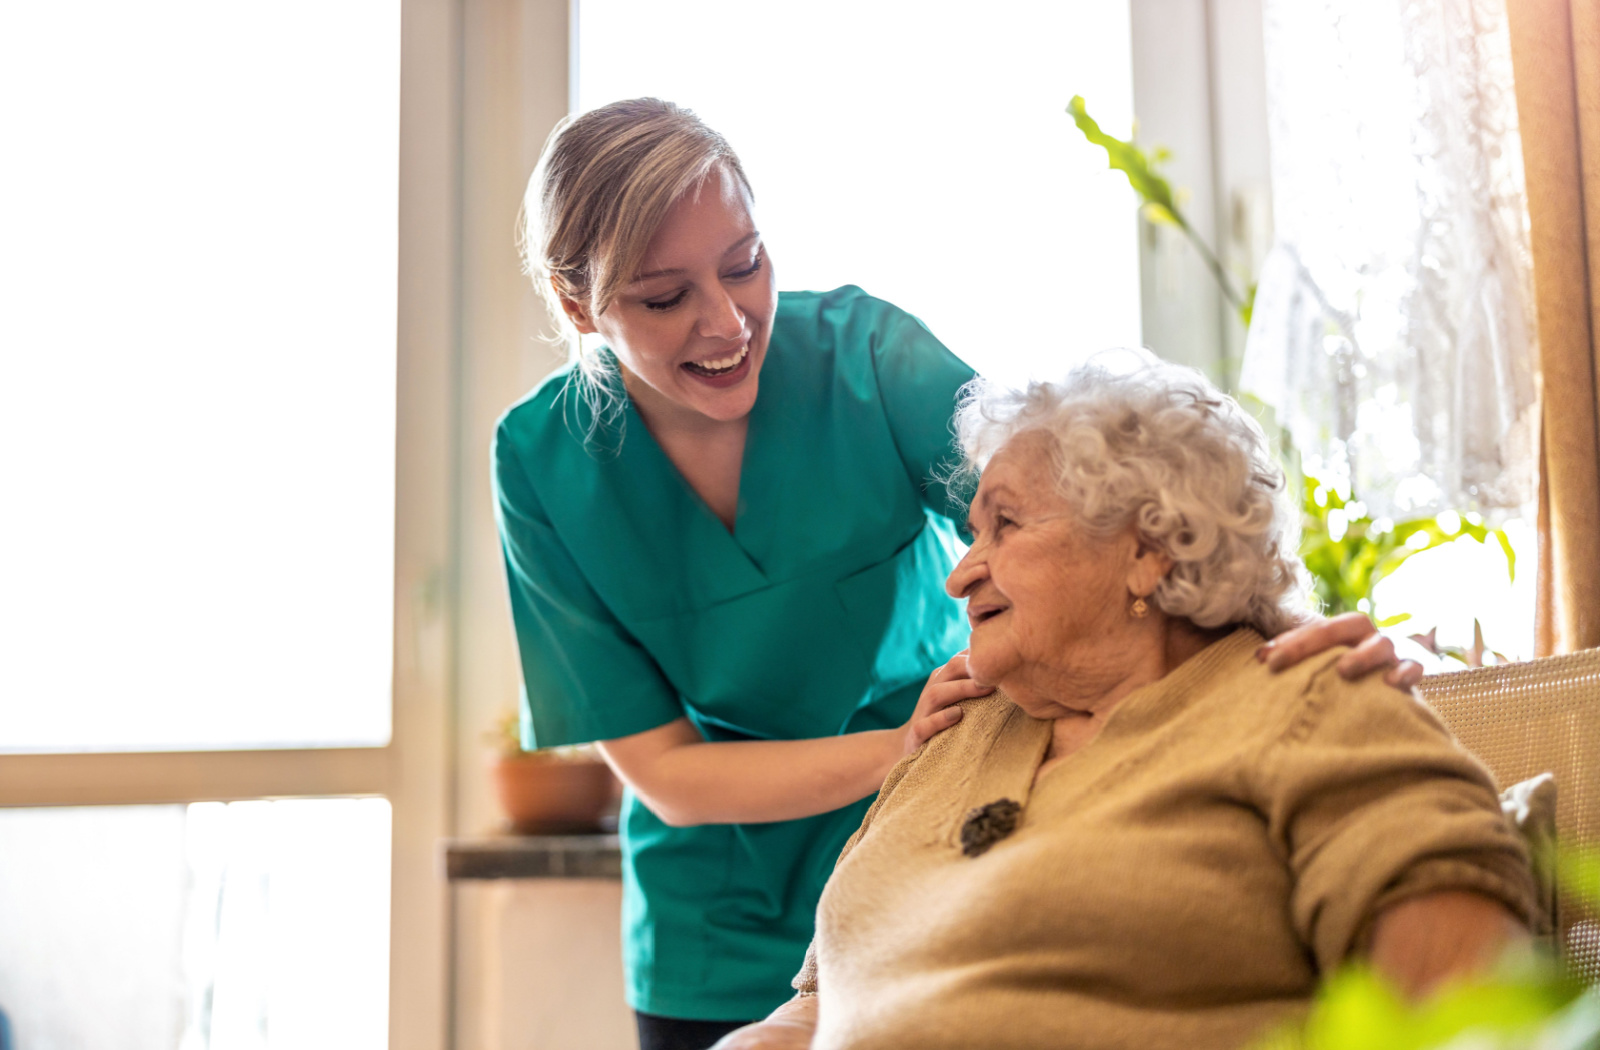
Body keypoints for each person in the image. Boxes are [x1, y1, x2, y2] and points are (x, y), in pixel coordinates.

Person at [494, 98, 1421, 1050]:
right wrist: (900, 751)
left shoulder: (866, 358)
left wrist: (1286, 629)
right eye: (664, 297)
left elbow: (1092, 527)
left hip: (947, 846)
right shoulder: (541, 463)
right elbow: (669, 776)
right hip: (718, 922)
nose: (727, 321)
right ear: (579, 305)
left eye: (745, 264)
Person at [714, 354, 1537, 1050]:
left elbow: (1464, 1005)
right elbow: (822, 1007)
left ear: (1147, 549)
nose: (960, 573)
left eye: (1005, 527)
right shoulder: (951, 736)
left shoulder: (1312, 699)